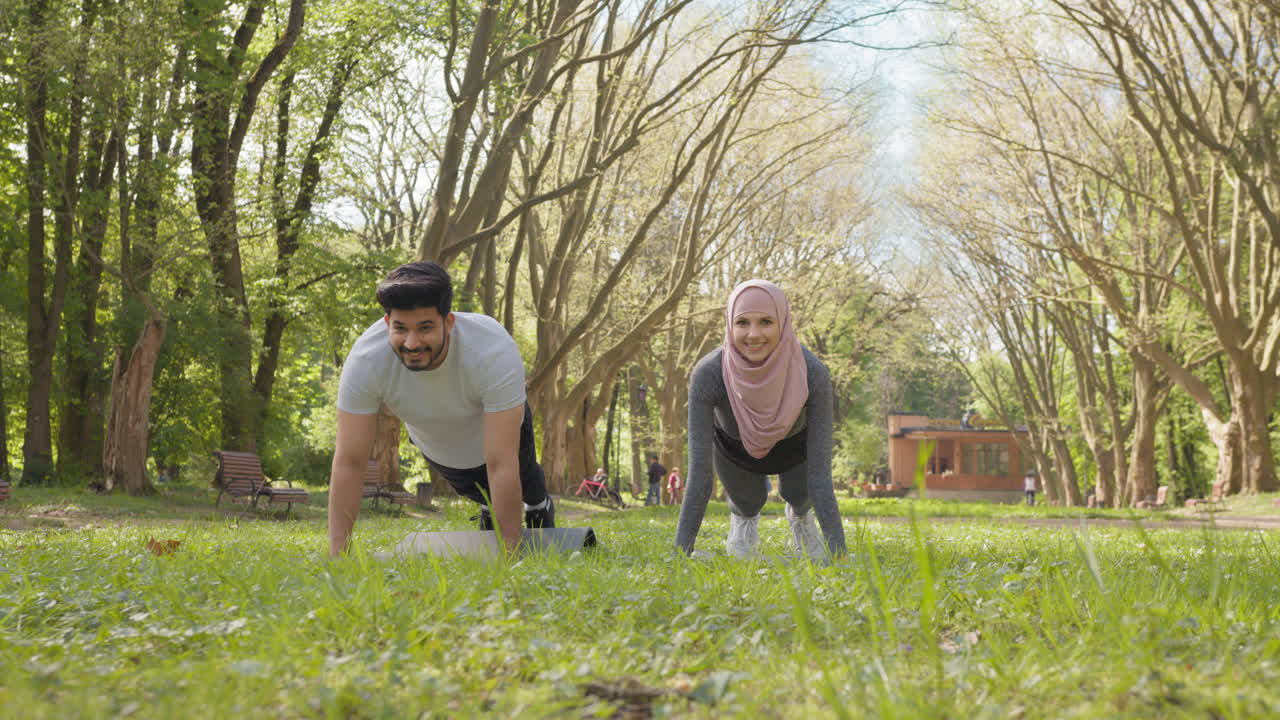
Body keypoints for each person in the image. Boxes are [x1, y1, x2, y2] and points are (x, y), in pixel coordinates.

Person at [327, 262, 554, 556]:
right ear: (387, 324)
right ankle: (489, 507)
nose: (412, 343)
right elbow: (350, 461)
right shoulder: (366, 360)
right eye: (400, 328)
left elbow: (500, 461)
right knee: (476, 489)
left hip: (497, 430)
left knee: (524, 478)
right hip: (441, 445)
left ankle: (539, 506)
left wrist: (510, 557)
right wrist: (337, 556)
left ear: (448, 322)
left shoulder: (492, 349)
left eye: (425, 328)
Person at [674, 279, 846, 561]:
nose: (753, 334)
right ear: (730, 324)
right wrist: (680, 552)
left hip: (796, 452)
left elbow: (820, 477)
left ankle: (801, 520)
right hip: (735, 452)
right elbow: (700, 475)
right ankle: (742, 523)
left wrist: (839, 555)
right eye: (742, 322)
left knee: (799, 494)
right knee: (749, 500)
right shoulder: (709, 374)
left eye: (766, 321)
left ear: (783, 322)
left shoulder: (813, 372)